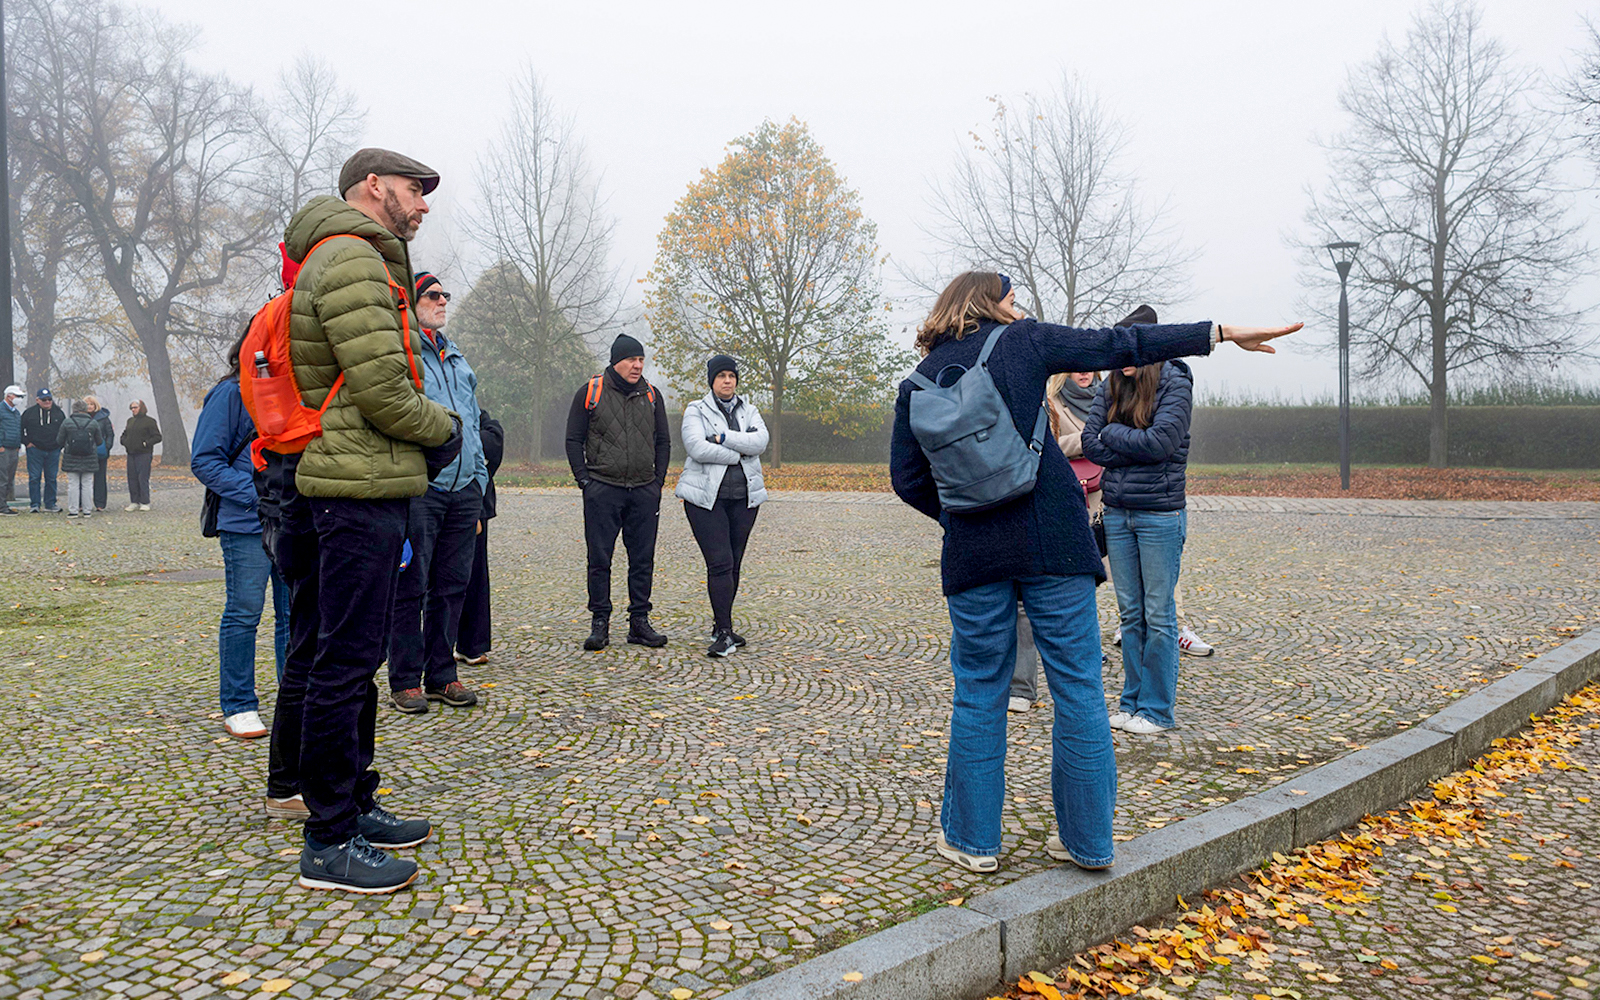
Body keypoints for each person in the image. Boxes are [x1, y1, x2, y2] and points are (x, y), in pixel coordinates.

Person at [890, 270, 1298, 874]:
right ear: (988, 303)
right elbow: (1120, 344)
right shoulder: (1025, 341)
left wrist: (963, 515)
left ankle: (973, 843)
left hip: (974, 552)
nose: (1017, 306)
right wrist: (1218, 332)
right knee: (1078, 686)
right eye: (1011, 298)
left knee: (979, 691)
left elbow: (907, 480)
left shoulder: (916, 382)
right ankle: (1087, 843)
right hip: (1054, 539)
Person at [258, 147, 460, 895]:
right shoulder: (351, 259)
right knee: (346, 660)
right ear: (373, 187)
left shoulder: (345, 254)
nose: (424, 203)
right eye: (415, 188)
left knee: (327, 653)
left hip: (342, 479)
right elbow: (382, 386)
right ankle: (331, 838)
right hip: (355, 484)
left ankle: (342, 800)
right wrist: (445, 429)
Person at [1081, 355, 1197, 736]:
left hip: (1159, 515)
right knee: (1130, 614)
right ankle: (1131, 703)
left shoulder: (1175, 383)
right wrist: (1133, 444)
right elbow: (1088, 442)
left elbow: (1161, 443)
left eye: (1131, 352)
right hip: (1117, 512)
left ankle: (1157, 710)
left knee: (1159, 615)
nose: (1121, 361)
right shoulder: (1111, 383)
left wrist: (1113, 434)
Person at [386, 271, 484, 714]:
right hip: (423, 487)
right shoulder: (403, 354)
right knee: (412, 585)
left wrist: (479, 481)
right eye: (433, 295)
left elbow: (474, 423)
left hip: (464, 489)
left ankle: (441, 674)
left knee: (453, 585)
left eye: (446, 294)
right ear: (411, 302)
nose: (443, 300)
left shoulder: (458, 357)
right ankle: (405, 679)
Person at [192, 338, 290, 741]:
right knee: (245, 612)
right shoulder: (230, 394)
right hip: (246, 524)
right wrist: (259, 494)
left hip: (291, 522)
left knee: (293, 615)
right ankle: (239, 704)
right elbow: (204, 460)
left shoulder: (291, 393)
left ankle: (294, 696)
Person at [1008, 366, 1108, 714]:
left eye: (1090, 370)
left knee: (1087, 588)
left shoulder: (1107, 399)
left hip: (1100, 501)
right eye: (1077, 370)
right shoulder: (1051, 403)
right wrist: (1089, 442)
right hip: (1060, 500)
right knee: (1034, 599)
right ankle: (1025, 685)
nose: (1085, 375)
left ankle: (1084, 665)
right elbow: (1044, 448)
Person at [565, 333, 671, 651]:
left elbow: (663, 441)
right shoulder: (592, 391)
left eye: (641, 360)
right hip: (603, 489)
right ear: (616, 361)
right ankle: (600, 622)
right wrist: (585, 481)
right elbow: (573, 439)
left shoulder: (652, 395)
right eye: (631, 360)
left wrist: (657, 482)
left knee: (642, 559)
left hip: (642, 490)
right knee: (600, 559)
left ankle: (639, 622)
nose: (638, 365)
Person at [675, 354, 769, 657]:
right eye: (721, 376)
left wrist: (724, 438)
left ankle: (721, 623)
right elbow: (696, 448)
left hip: (745, 498)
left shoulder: (750, 409)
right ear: (711, 381)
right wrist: (737, 453)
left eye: (731, 375)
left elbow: (761, 443)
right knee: (720, 563)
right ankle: (725, 634)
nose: (727, 381)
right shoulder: (695, 410)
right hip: (706, 500)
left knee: (734, 562)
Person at [455, 407, 504, 667]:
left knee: (474, 575)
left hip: (472, 502)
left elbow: (494, 438)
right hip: (429, 501)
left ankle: (471, 644)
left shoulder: (474, 410)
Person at [57, 399, 103, 518]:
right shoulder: (93, 423)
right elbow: (99, 441)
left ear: (74, 409)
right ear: (85, 409)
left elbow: (59, 440)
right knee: (87, 484)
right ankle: (87, 510)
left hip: (71, 457)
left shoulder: (67, 422)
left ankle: (73, 510)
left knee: (73, 484)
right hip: (89, 457)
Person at [21, 388, 64, 513]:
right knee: (34, 477)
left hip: (53, 450)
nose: (47, 402)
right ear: (37, 400)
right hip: (35, 450)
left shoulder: (59, 413)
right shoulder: (29, 413)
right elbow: (20, 429)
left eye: (49, 399)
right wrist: (27, 442)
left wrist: (59, 445)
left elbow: (64, 430)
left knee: (51, 478)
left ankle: (50, 504)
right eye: (44, 400)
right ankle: (35, 504)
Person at [120, 400, 161, 511]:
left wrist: (146, 443)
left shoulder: (150, 421)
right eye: (131, 408)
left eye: (135, 407)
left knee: (142, 478)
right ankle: (134, 501)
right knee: (132, 478)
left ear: (141, 407)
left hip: (144, 454)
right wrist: (124, 441)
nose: (133, 410)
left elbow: (157, 437)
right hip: (131, 453)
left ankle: (145, 501)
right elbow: (124, 434)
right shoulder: (130, 421)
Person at [85, 395, 114, 512]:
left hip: (100, 452)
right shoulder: (80, 417)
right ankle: (84, 503)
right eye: (87, 404)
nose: (89, 406)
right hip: (85, 452)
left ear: (95, 405)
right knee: (84, 479)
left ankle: (100, 503)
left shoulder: (104, 418)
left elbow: (110, 434)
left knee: (100, 478)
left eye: (91, 404)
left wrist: (107, 447)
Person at [0, 385, 22, 516]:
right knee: (2, 478)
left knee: (9, 478)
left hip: (14, 448)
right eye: (17, 396)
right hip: (3, 449)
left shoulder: (16, 412)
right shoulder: (1, 410)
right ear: (9, 396)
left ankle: (4, 503)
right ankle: (1, 506)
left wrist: (18, 445)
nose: (19, 399)